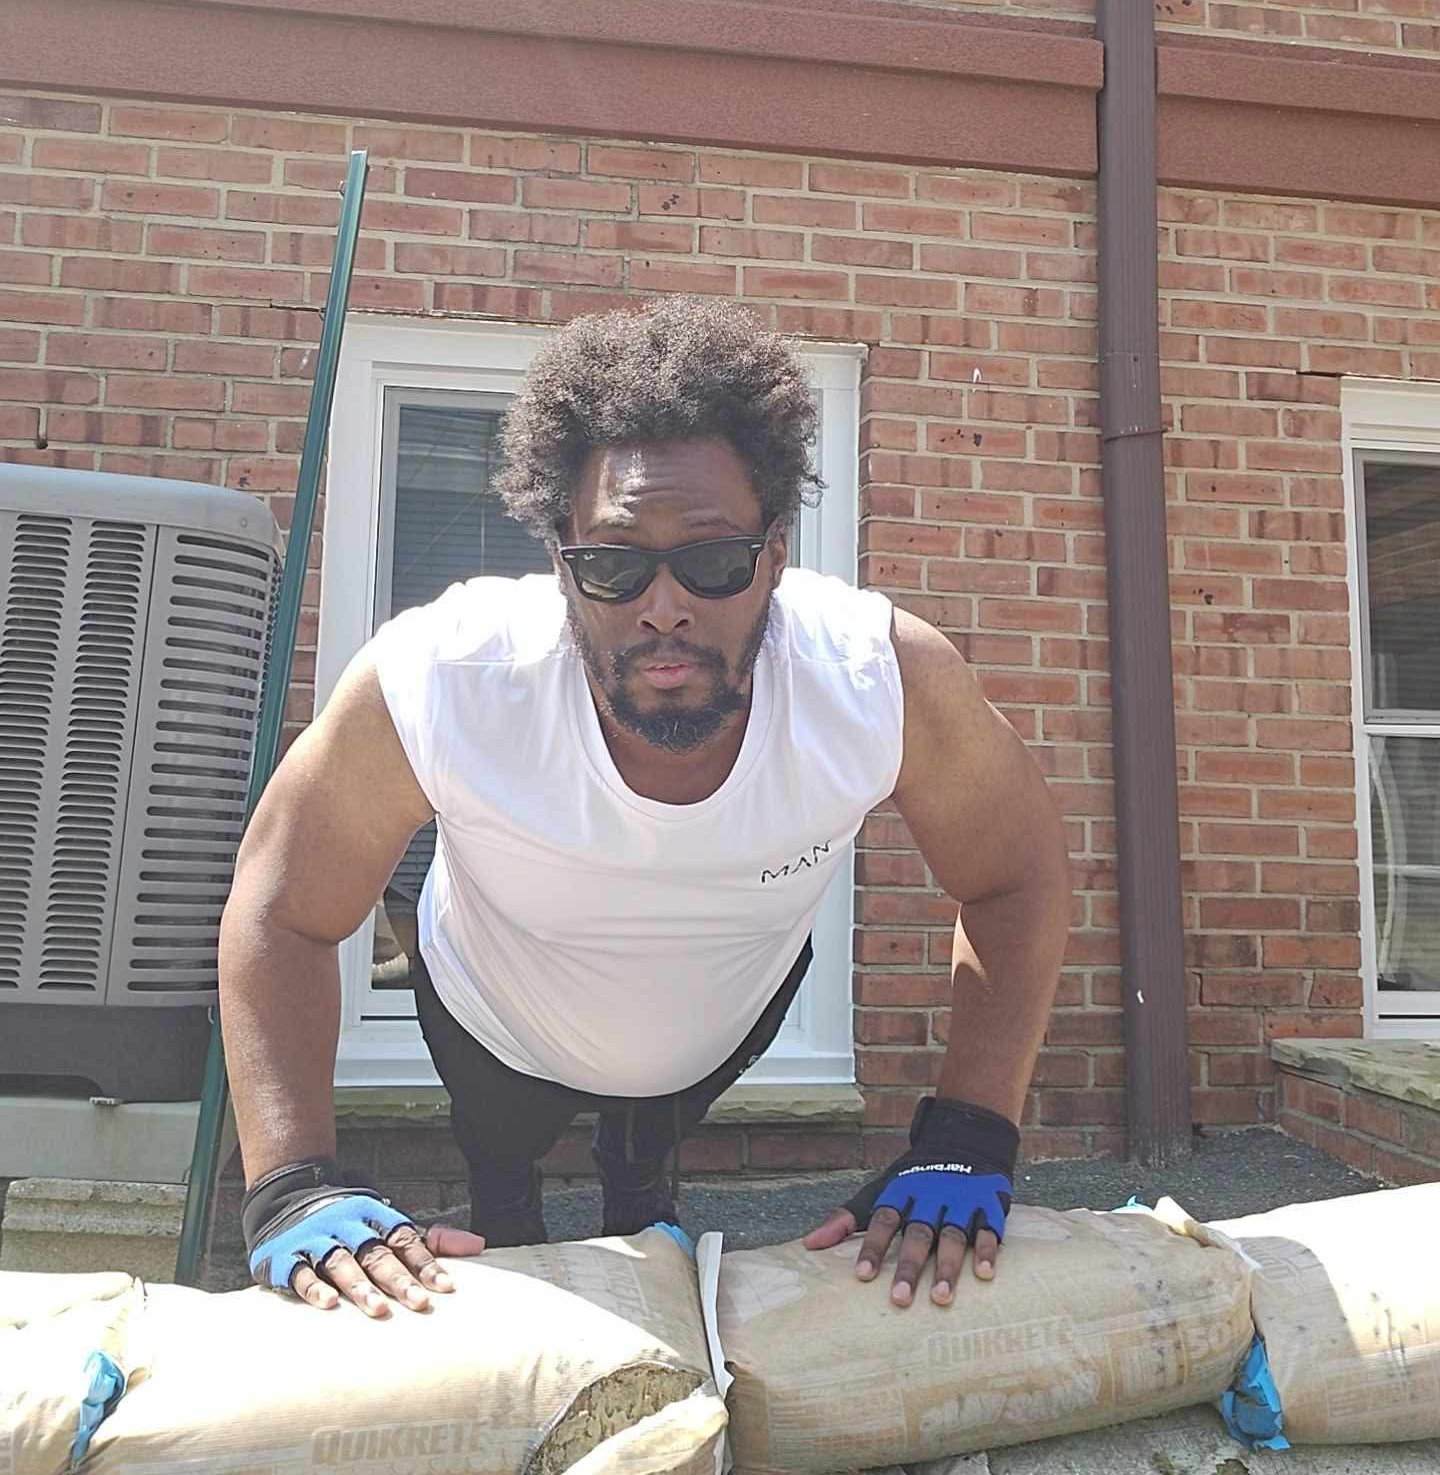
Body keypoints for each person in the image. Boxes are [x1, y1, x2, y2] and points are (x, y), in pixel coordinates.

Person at [220, 298, 1071, 1322]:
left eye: (712, 561)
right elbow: (283, 908)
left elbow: (1015, 874)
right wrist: (293, 1184)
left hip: (719, 1023)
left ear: (776, 553)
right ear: (561, 561)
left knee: (646, 1164)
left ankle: (640, 1182)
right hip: (495, 1017)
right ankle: (506, 1195)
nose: (665, 609)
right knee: (501, 1163)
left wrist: (971, 1136)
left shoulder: (878, 680)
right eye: (615, 566)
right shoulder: (445, 680)